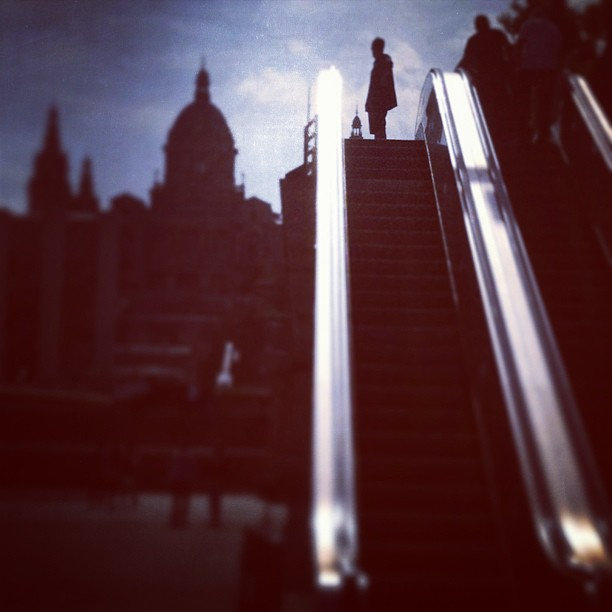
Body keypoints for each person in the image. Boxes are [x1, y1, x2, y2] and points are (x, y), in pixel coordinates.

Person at [458, 15, 511, 137]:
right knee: (497, 102)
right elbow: (508, 49)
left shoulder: (475, 39)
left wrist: (457, 69)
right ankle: (499, 131)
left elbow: (466, 59)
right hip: (495, 75)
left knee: (491, 103)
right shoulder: (496, 35)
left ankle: (494, 131)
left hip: (487, 77)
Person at [517, 8, 563, 143]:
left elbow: (521, 44)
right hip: (549, 68)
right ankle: (544, 131)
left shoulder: (528, 24)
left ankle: (525, 130)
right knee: (545, 99)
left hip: (530, 66)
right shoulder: (554, 28)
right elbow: (559, 48)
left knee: (526, 99)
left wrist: (517, 62)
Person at [365, 38, 397, 139]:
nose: (372, 51)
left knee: (379, 123)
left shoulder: (383, 61)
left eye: (373, 49)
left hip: (379, 98)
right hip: (376, 99)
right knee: (377, 124)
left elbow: (382, 82)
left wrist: (378, 98)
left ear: (377, 48)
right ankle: (379, 141)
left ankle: (380, 142)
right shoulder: (380, 62)